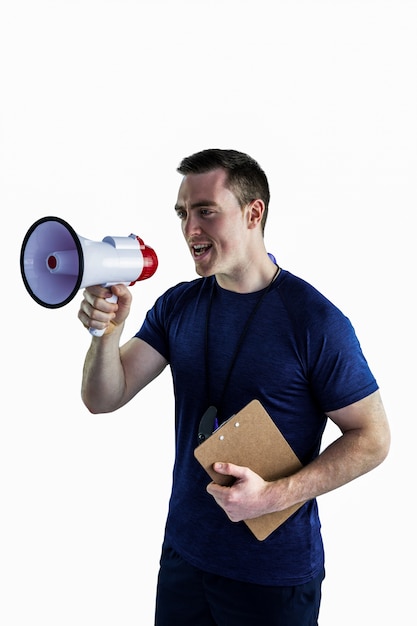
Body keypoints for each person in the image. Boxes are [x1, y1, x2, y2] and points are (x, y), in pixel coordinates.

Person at [78, 148, 390, 625]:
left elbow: (373, 438)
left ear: (253, 212)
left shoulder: (315, 321)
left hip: (272, 574)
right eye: (183, 213)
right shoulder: (178, 305)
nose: (189, 230)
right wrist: (107, 333)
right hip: (185, 556)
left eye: (206, 211)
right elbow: (104, 397)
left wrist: (273, 496)